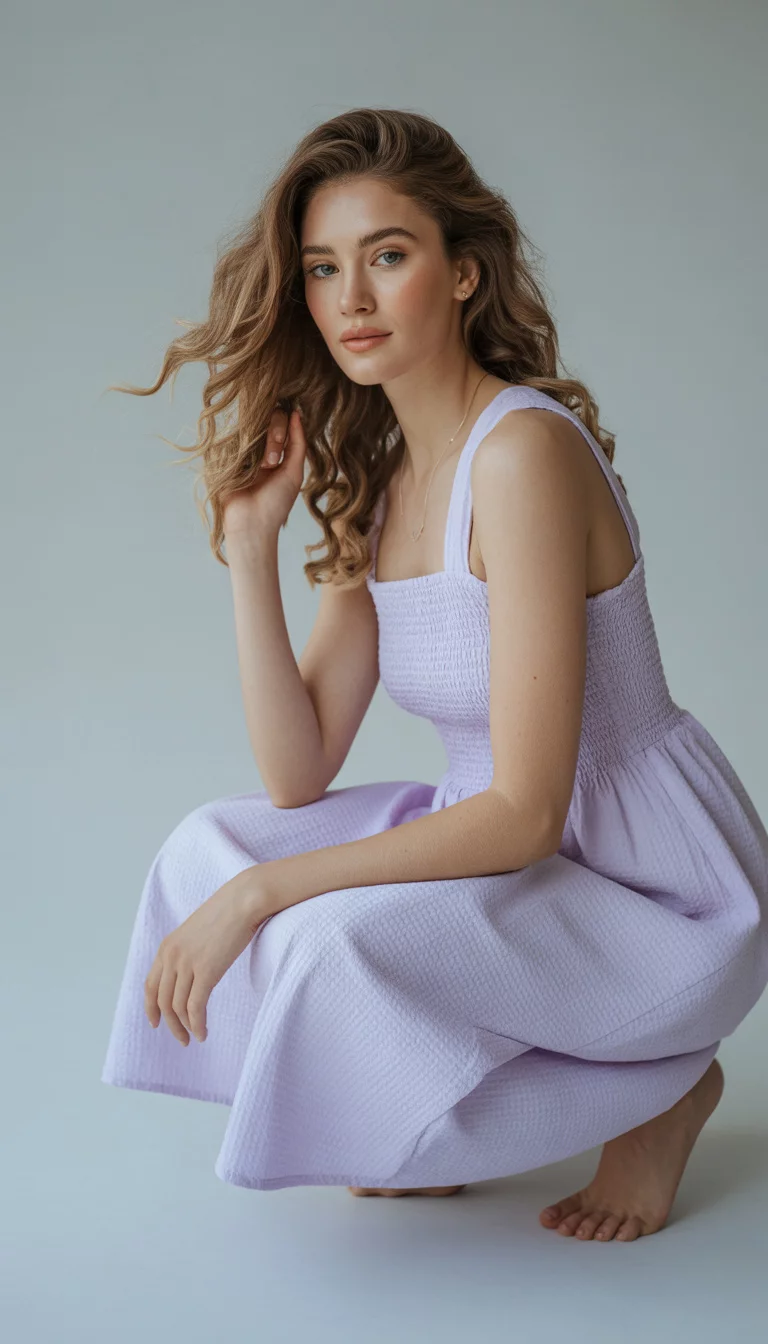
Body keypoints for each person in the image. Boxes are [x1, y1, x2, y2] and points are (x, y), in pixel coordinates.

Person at [101, 107, 768, 1242]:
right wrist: (251, 549)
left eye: (388, 256)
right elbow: (299, 772)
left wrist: (265, 897)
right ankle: (427, 1108)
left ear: (463, 274)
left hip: (645, 890)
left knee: (319, 931)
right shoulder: (391, 478)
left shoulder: (522, 454)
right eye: (324, 268)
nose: (351, 299)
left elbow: (529, 811)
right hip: (511, 859)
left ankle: (662, 1088)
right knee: (205, 849)